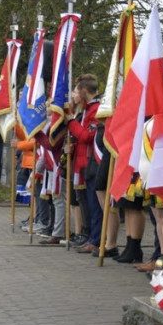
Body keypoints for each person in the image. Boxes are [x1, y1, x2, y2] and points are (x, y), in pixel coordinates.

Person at [65, 75, 103, 254]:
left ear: (83, 91)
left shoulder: (96, 110)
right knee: (86, 203)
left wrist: (71, 122)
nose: (73, 94)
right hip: (82, 162)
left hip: (91, 162)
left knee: (94, 205)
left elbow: (88, 136)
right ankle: (90, 236)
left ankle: (96, 239)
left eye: (75, 90)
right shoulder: (87, 109)